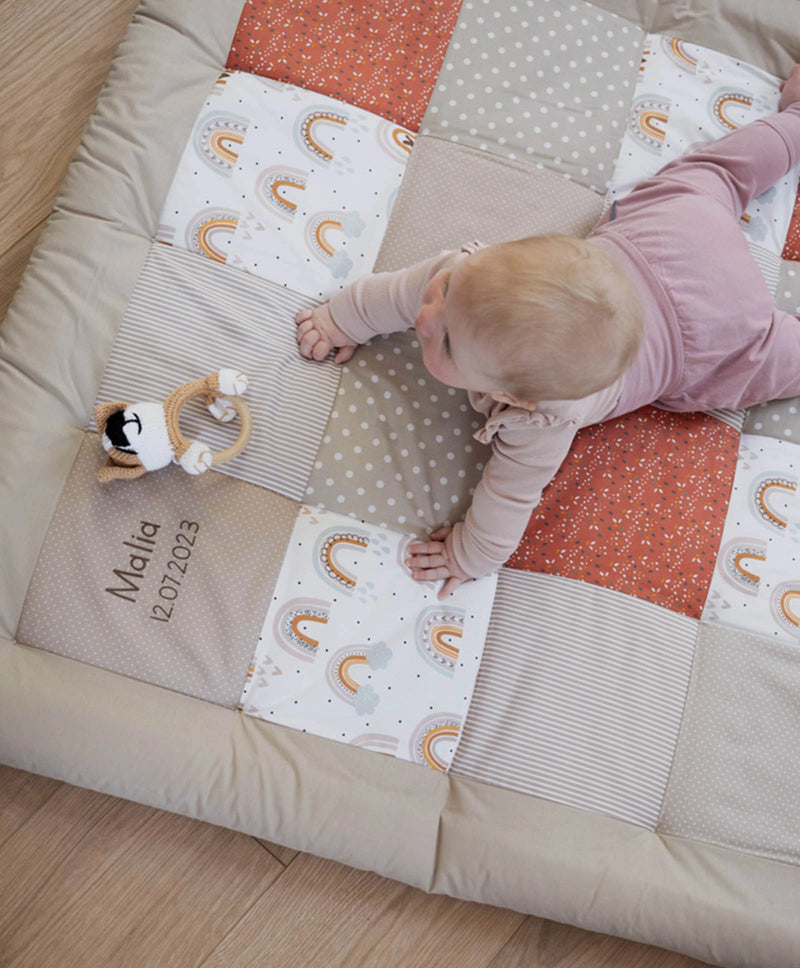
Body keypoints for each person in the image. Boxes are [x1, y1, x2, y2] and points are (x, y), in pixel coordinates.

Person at [296, 66, 800, 598]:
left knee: (725, 196)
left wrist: (467, 553)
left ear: (512, 396)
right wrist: (341, 317)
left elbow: (509, 499)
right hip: (679, 228)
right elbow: (399, 292)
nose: (425, 314)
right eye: (443, 290)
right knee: (720, 172)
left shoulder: (538, 422)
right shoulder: (467, 281)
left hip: (713, 338)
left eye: (443, 342)